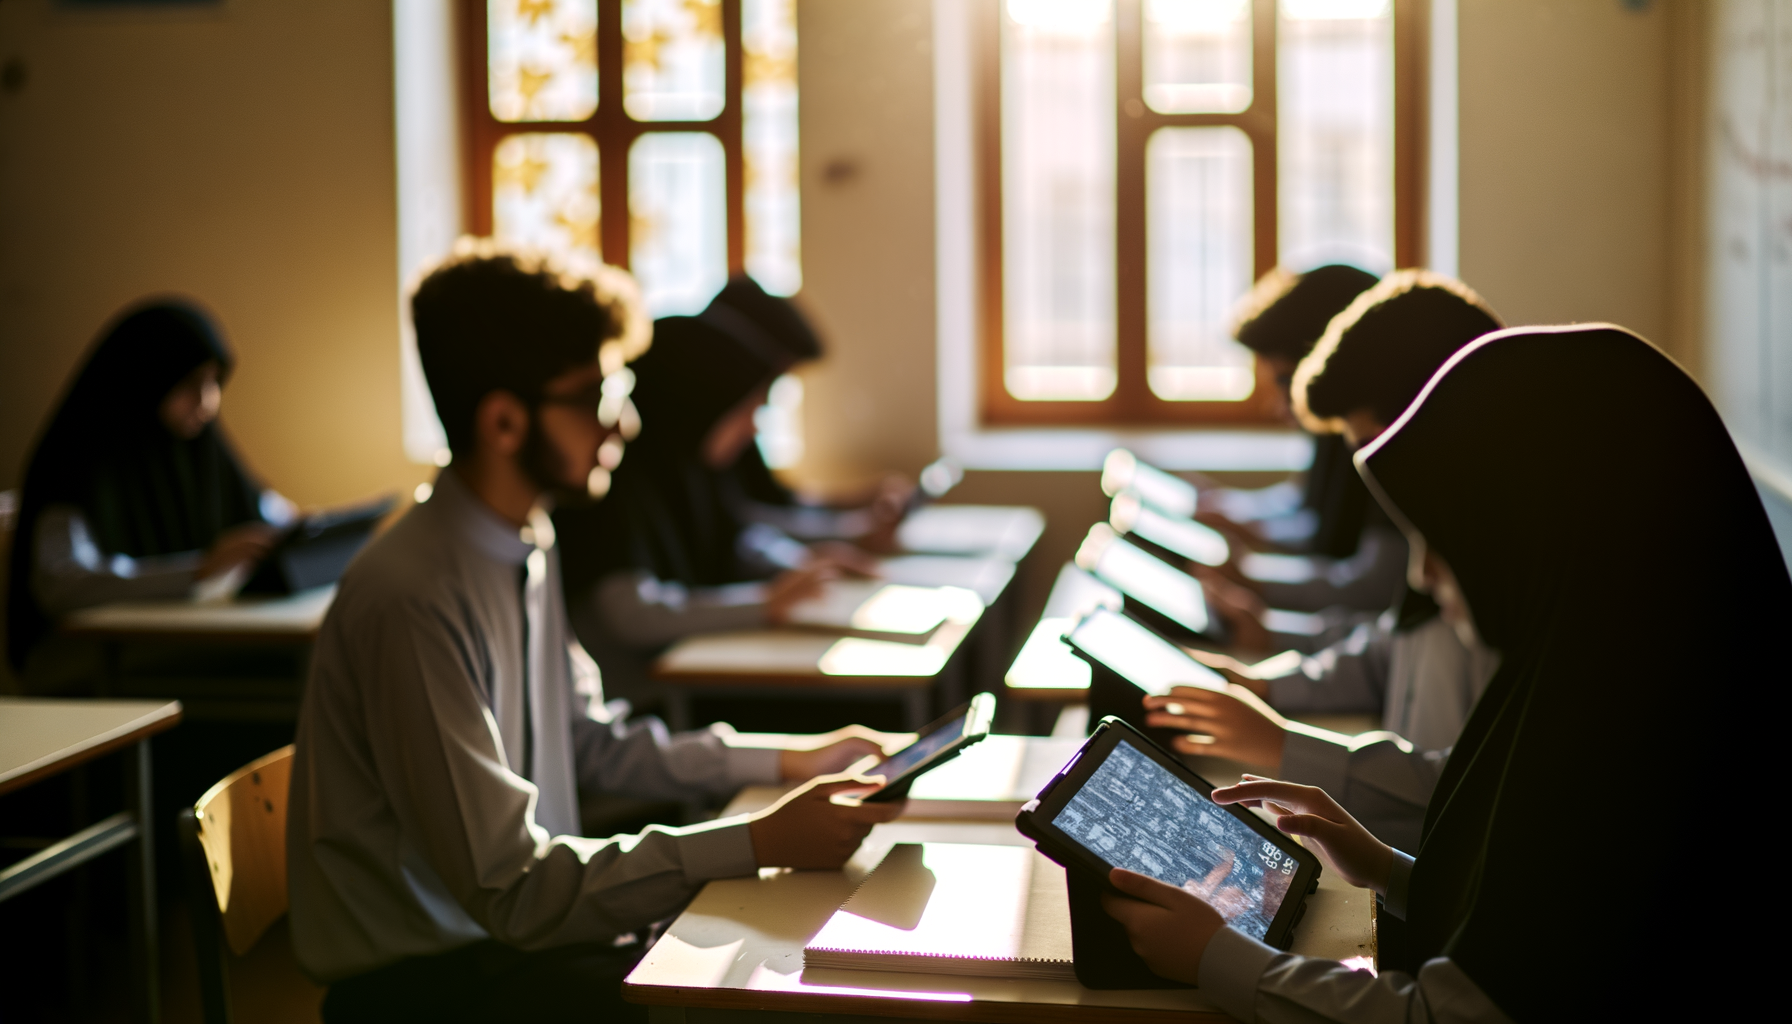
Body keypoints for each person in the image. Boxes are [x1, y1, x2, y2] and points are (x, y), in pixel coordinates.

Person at [287, 244, 902, 1023]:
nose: (628, 420)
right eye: (599, 393)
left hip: (513, 946)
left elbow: (593, 742)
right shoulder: (412, 597)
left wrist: (787, 758)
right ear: (505, 420)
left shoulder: (524, 540)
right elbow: (511, 888)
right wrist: (755, 841)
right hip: (439, 983)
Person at [1102, 324, 1787, 1020]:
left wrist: (1217, 958)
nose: (1422, 574)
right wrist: (1392, 872)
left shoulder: (1637, 736)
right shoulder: (1603, 666)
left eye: (1448, 540)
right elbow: (1539, 935)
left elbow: (1452, 1014)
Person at [1143, 272, 1503, 850]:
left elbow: (1465, 790)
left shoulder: (1506, 570)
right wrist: (1269, 686)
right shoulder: (1441, 526)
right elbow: (1388, 645)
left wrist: (1283, 744)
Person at [555, 279, 885, 709]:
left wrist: (804, 568)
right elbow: (632, 616)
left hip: (682, 682)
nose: (753, 427)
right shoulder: (616, 479)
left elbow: (733, 537)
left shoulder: (689, 466)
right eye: (746, 410)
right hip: (636, 704)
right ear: (702, 404)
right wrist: (765, 603)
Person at [5, 301, 293, 684]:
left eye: (214, 383)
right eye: (190, 385)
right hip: (99, 668)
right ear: (146, 380)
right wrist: (200, 569)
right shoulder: (80, 457)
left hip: (182, 649)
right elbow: (65, 584)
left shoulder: (199, 446)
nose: (208, 403)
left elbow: (266, 514)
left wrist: (304, 533)